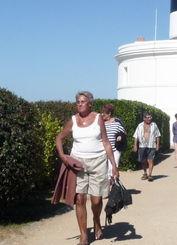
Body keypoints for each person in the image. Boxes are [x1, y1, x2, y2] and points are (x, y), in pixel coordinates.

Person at [55, 91, 119, 245]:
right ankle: (84, 235)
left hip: (98, 162)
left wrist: (114, 166)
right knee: (80, 198)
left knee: (96, 200)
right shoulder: (73, 120)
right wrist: (63, 156)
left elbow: (106, 143)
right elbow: (59, 138)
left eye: (83, 101)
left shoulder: (98, 118)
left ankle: (96, 220)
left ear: (90, 103)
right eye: (78, 101)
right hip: (78, 163)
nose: (80, 104)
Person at [100, 103, 126, 186]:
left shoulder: (117, 122)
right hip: (104, 150)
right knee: (106, 171)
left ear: (109, 113)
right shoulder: (101, 122)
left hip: (115, 149)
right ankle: (107, 191)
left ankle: (115, 188)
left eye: (104, 112)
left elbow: (124, 132)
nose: (102, 114)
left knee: (113, 169)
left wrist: (120, 136)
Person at [132, 111, 161, 181]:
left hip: (151, 145)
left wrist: (157, 145)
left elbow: (158, 135)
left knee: (151, 160)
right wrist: (135, 145)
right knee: (143, 161)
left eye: (150, 117)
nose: (149, 119)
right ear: (144, 118)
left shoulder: (154, 125)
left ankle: (150, 175)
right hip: (142, 145)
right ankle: (145, 173)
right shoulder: (140, 125)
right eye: (147, 117)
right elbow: (136, 136)